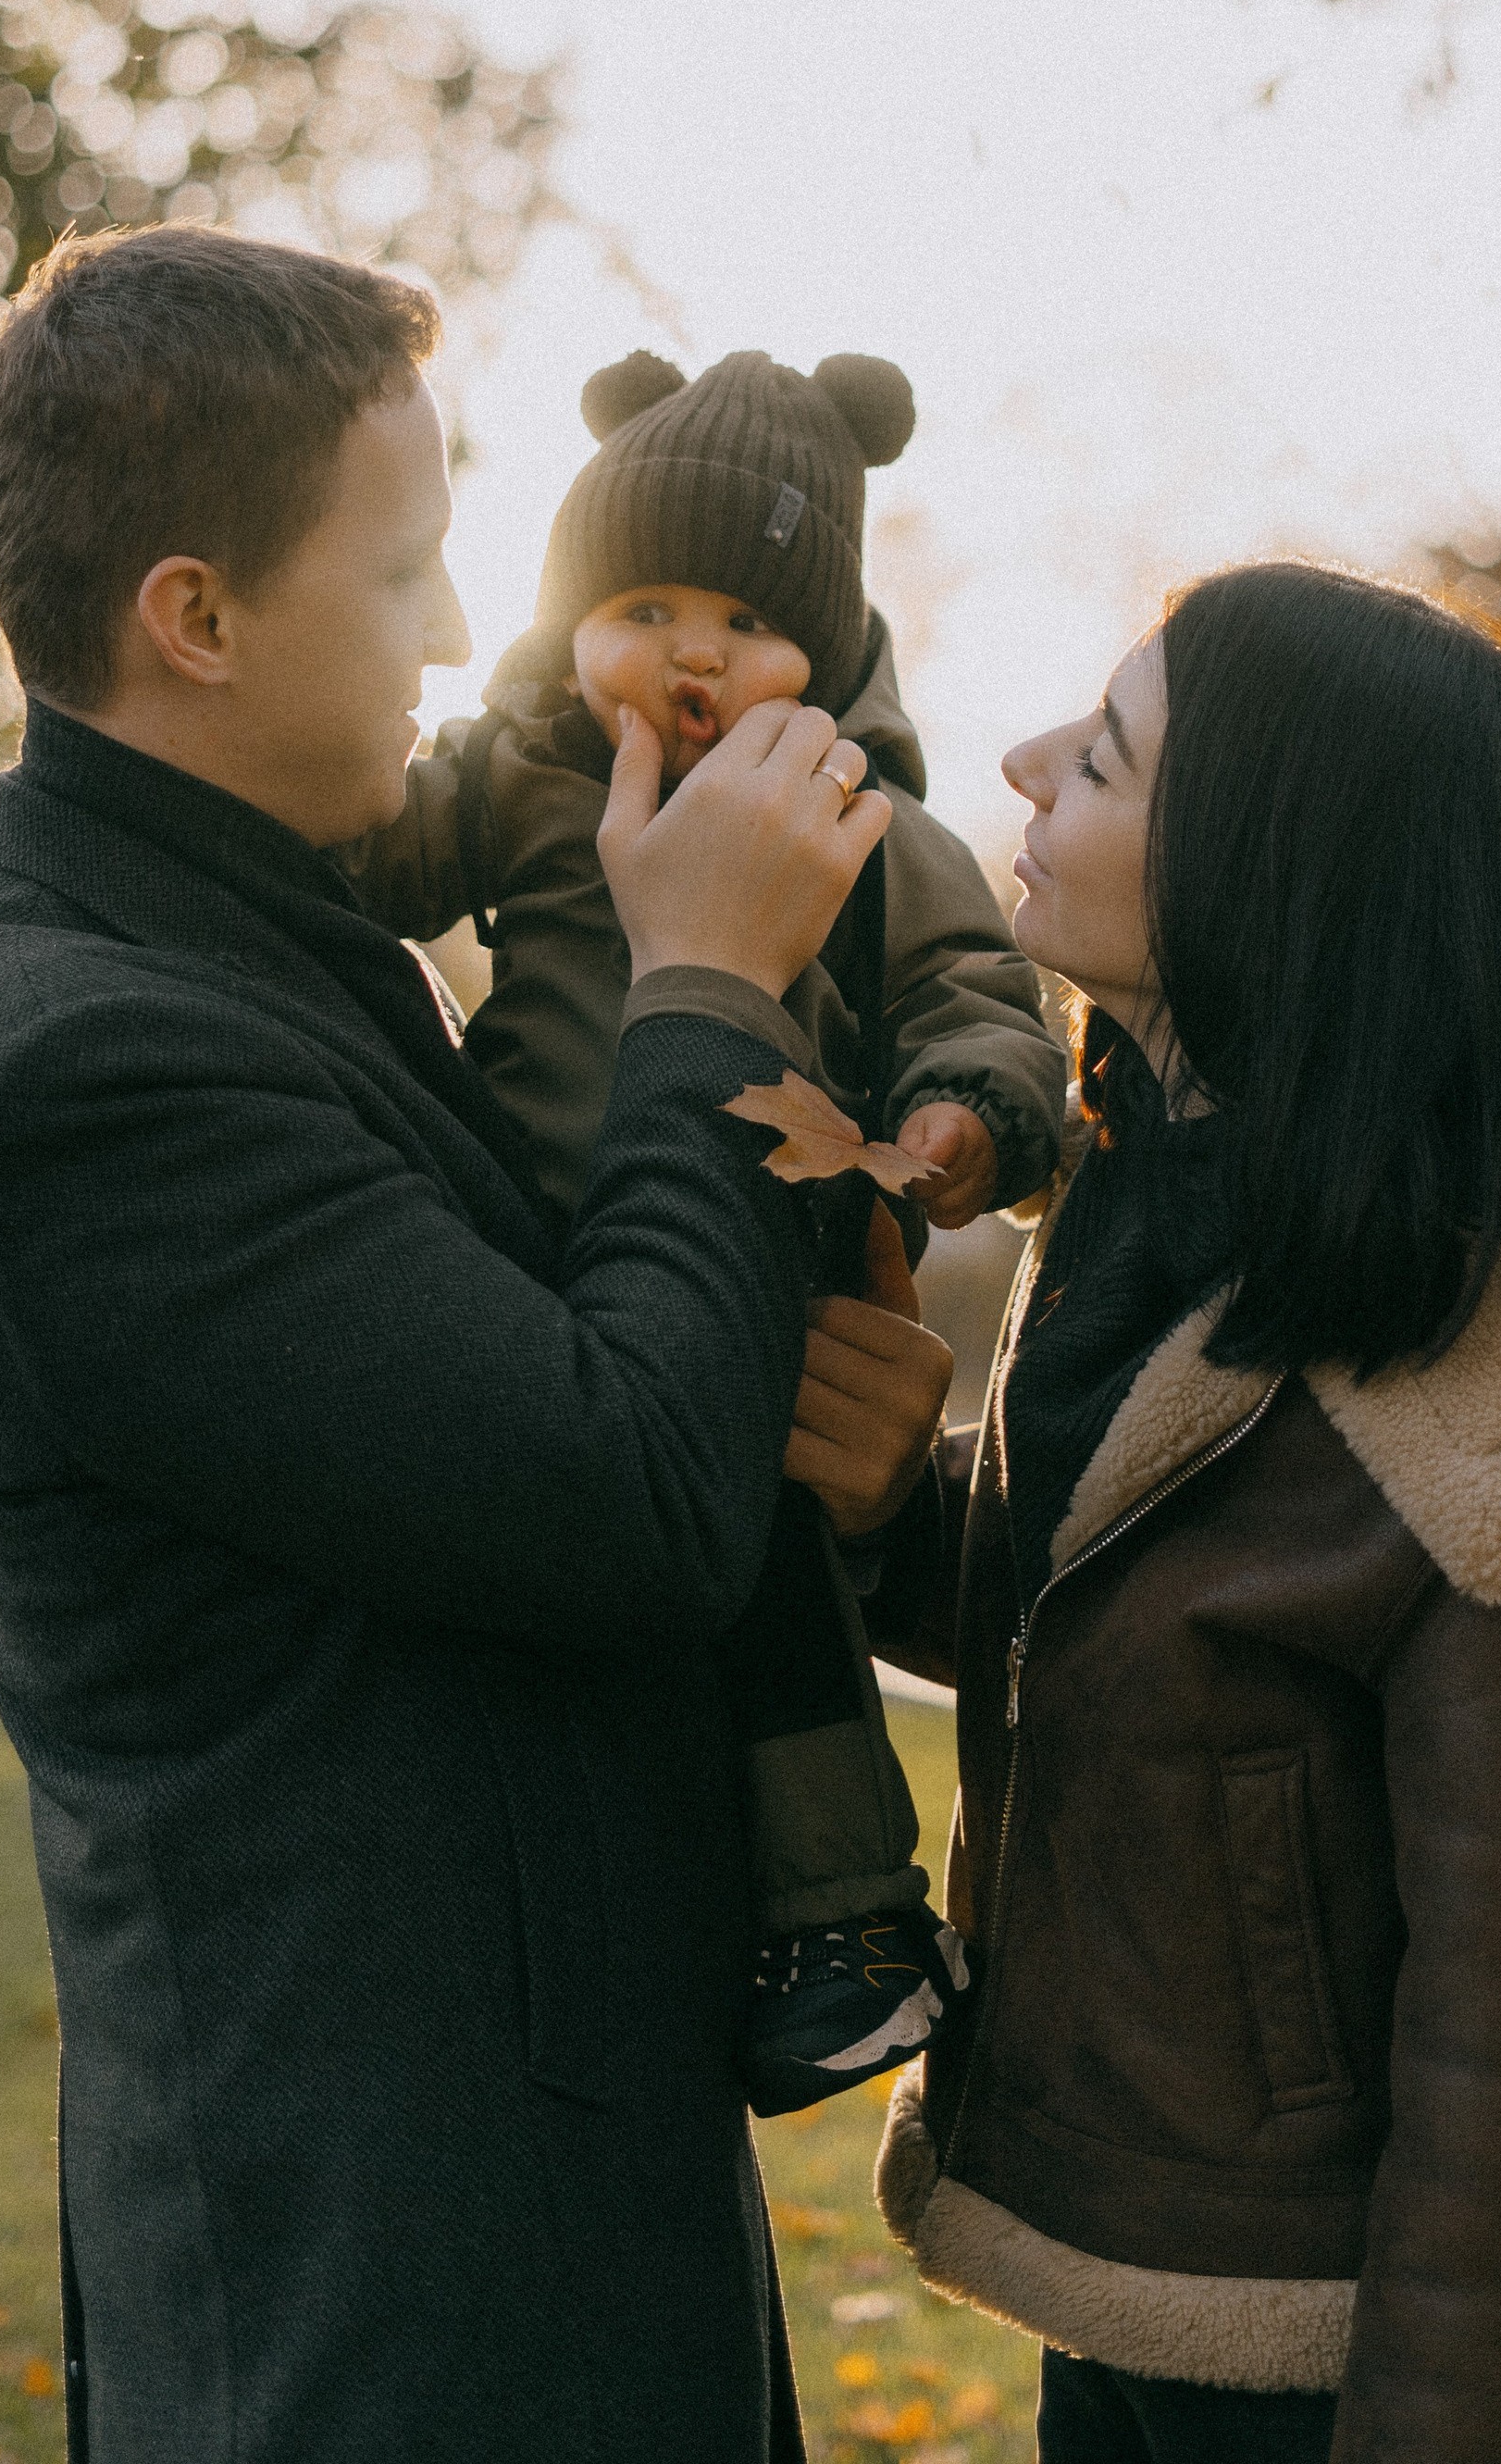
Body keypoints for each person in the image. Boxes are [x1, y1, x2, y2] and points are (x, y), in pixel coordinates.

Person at [0, 224, 955, 2462]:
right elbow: (617, 1494)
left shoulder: (252, 933)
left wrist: (842, 1448)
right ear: (195, 615)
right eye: (406, 574)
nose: (470, 638)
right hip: (382, 2277)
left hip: (531, 2193)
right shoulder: (80, 1065)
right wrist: (705, 990)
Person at [815, 563, 1501, 2464]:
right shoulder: (1180, 1206)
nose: (1021, 766)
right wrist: (890, 1514)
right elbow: (1159, 1635)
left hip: (1345, 2379)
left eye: (1099, 760)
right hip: (1126, 2296)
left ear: (1270, 877)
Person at [340, 343, 1064, 2112]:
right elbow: (362, 848)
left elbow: (976, 991)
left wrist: (968, 1118)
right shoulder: (518, 781)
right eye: (641, 603)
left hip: (756, 1244)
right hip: (522, 1238)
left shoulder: (860, 822)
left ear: (825, 655)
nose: (684, 651)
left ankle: (852, 1920)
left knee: (767, 1594)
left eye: (740, 618)